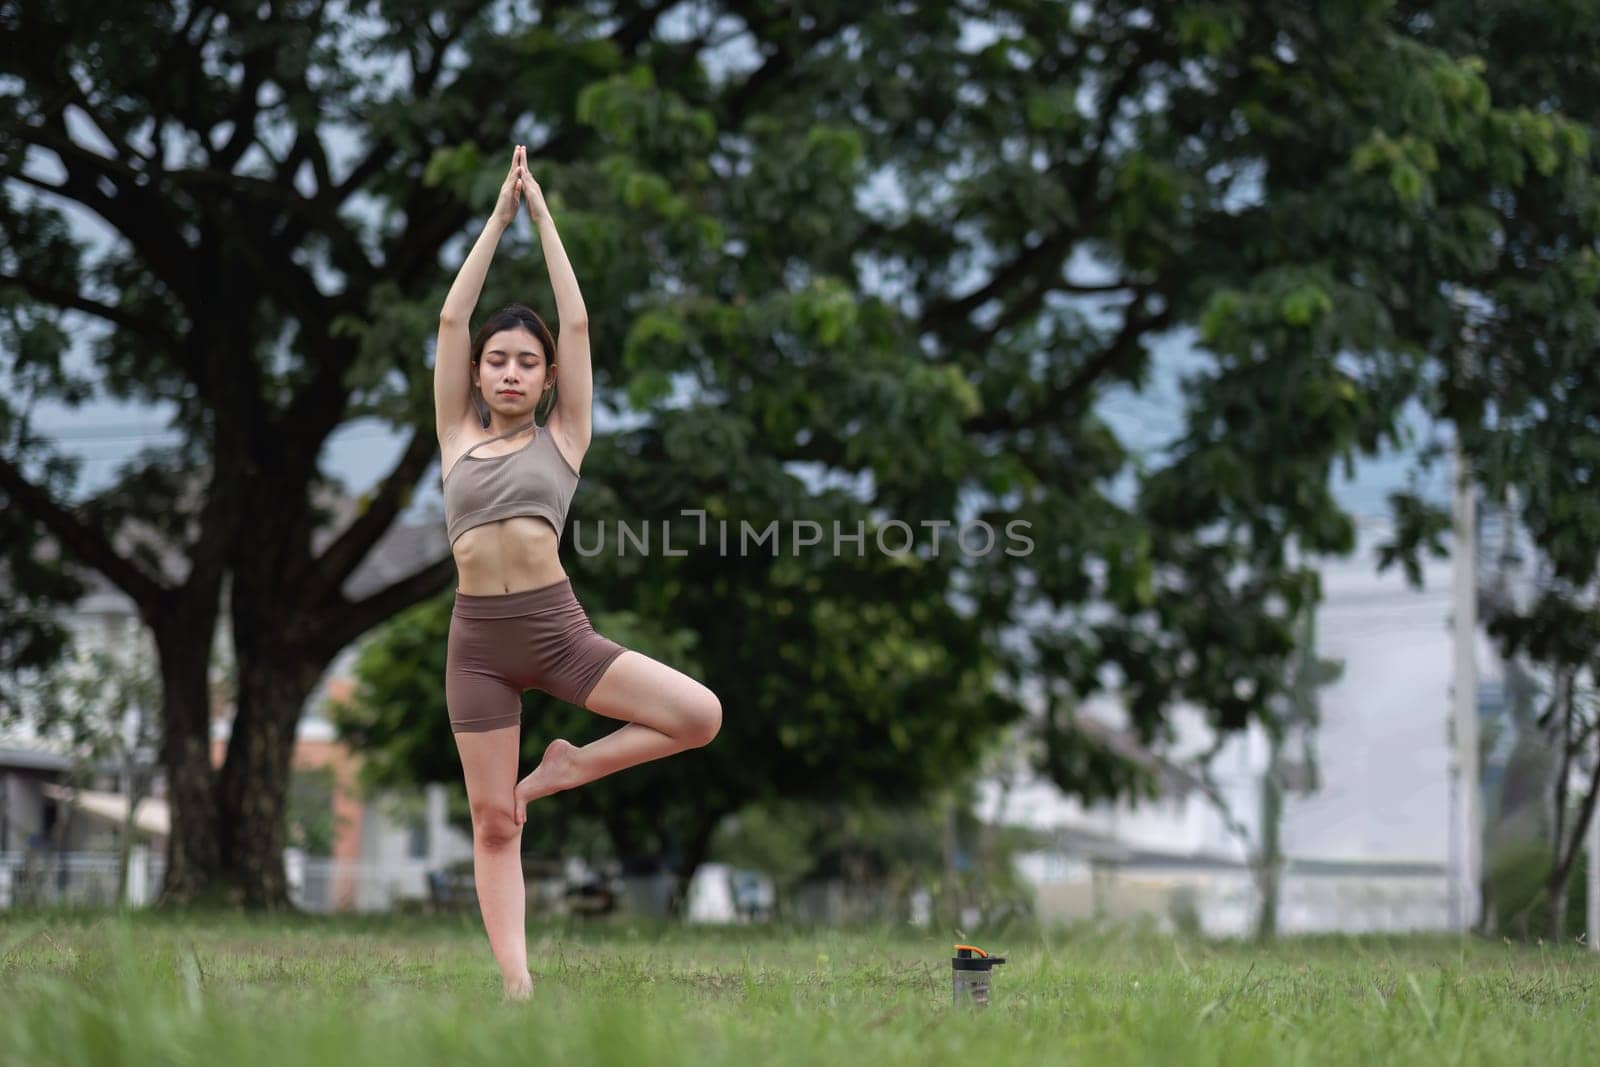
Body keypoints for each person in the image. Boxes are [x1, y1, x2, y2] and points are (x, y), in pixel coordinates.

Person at [434, 144, 722, 1001]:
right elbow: (453, 323)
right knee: (493, 820)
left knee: (698, 715)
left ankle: (567, 766)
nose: (511, 370)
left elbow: (582, 323)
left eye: (528, 361)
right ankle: (517, 982)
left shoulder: (565, 437)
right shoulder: (455, 435)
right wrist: (496, 221)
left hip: (558, 632)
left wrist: (545, 219)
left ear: (549, 376)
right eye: (499, 360)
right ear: (480, 374)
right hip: (478, 644)